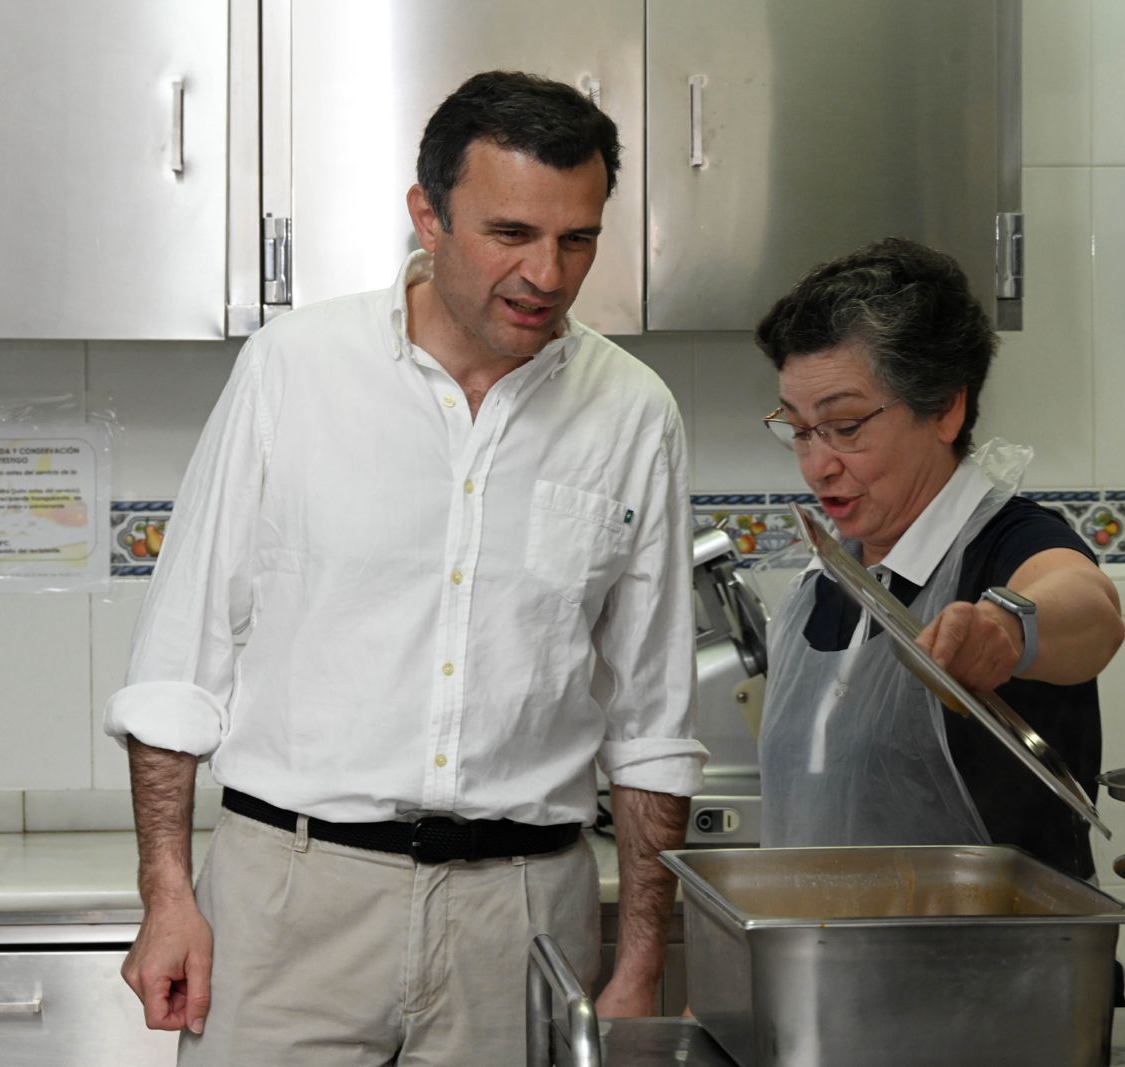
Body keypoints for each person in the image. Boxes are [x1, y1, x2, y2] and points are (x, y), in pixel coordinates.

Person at [105, 71, 704, 1066]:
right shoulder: (292, 368)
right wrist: (167, 892)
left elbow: (650, 723)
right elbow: (180, 663)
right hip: (291, 901)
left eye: (577, 239)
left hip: (519, 917)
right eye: (509, 232)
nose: (546, 275)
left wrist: (638, 959)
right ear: (427, 214)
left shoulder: (633, 412)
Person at [753, 237, 1124, 879]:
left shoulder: (1005, 544)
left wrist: (1006, 629)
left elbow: (1090, 608)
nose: (817, 464)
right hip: (836, 966)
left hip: (992, 972)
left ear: (945, 408)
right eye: (799, 429)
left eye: (846, 427)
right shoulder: (832, 573)